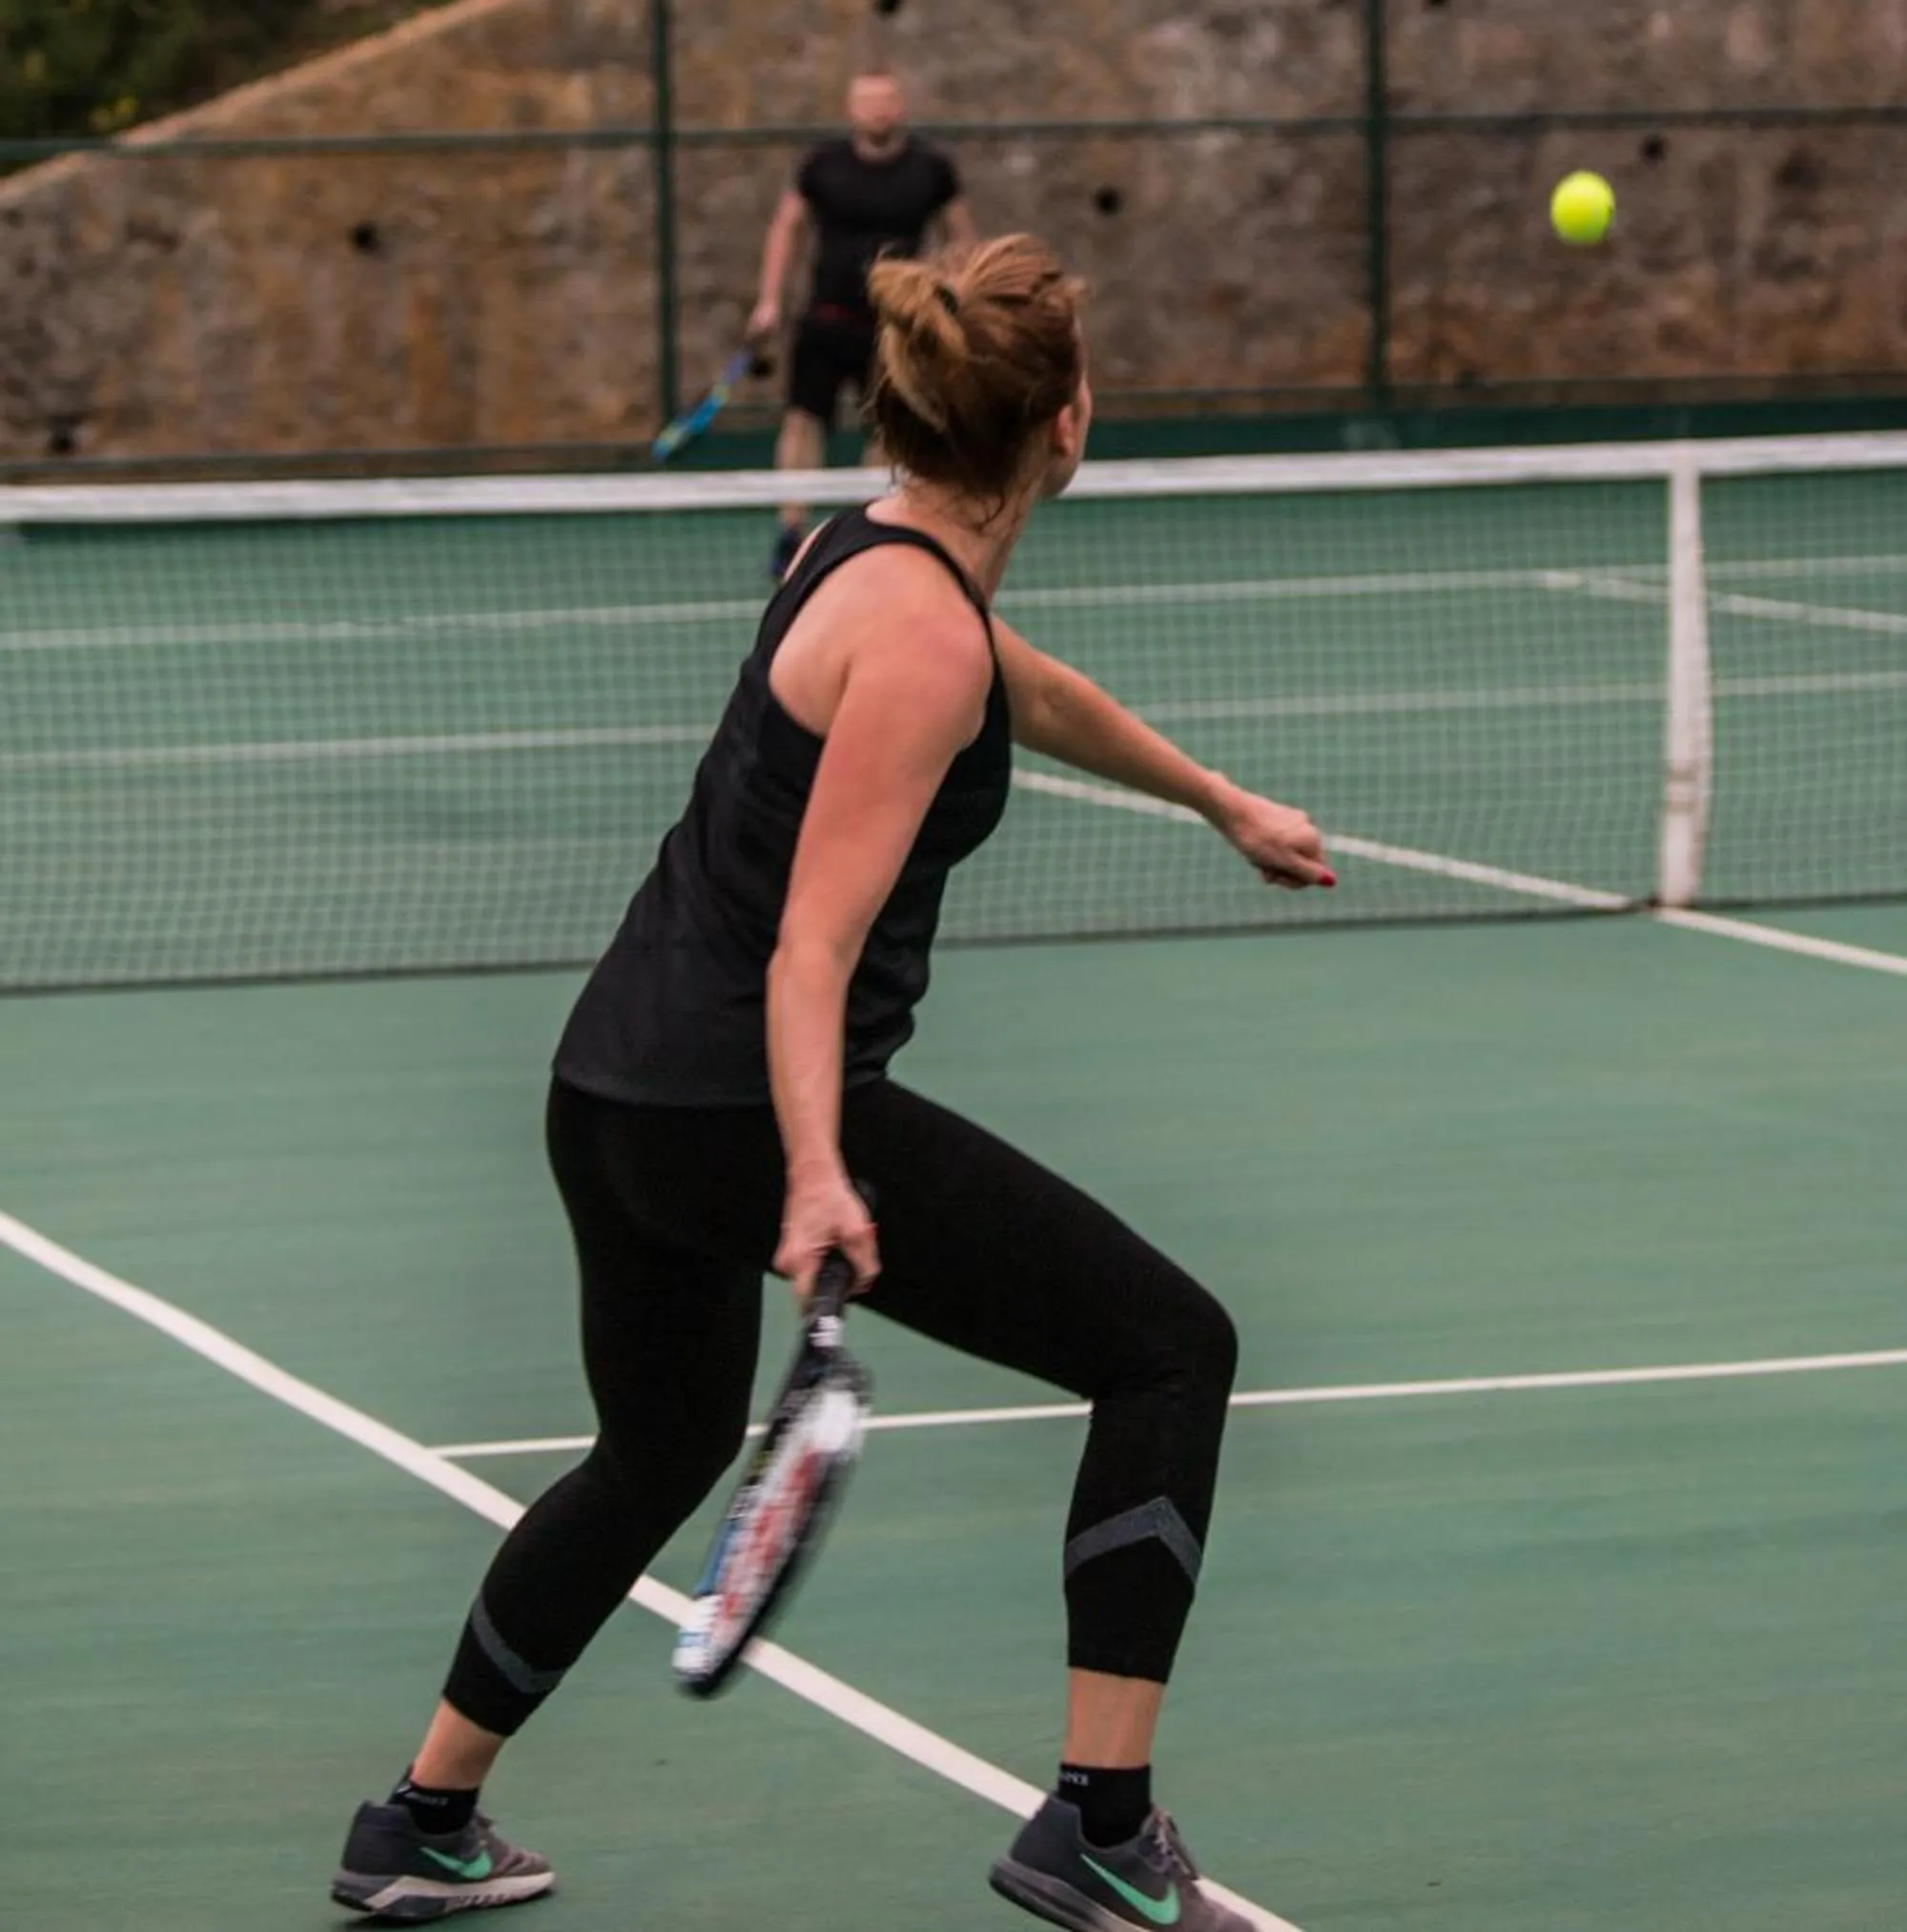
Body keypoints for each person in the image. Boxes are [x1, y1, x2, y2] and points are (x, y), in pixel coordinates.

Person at [330, 233, 1334, 1931]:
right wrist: (814, 1168)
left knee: (651, 1455)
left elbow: (1029, 686)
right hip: (747, 1111)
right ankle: (1098, 1824)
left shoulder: (848, 552)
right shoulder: (923, 636)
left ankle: (417, 1818)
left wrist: (1216, 798)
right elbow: (811, 948)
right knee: (1172, 1350)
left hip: (612, 1088)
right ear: (1066, 428)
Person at [750, 68, 974, 581]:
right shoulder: (821, 166)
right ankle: (791, 535)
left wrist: (955, 299)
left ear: (900, 106)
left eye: (886, 100)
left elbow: (961, 239)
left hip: (896, 325)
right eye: (867, 101)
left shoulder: (932, 169)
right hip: (828, 317)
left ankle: (871, 536)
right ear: (852, 109)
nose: (878, 110)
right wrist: (769, 300)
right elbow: (787, 226)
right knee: (803, 422)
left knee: (888, 431)